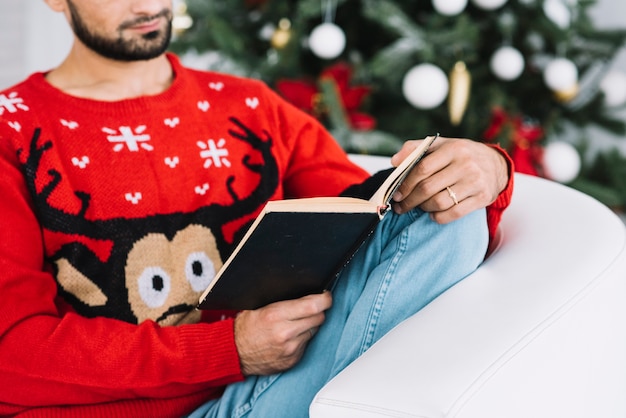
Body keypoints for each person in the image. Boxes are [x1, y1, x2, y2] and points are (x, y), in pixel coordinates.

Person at [0, 0, 513, 417]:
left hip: (275, 388)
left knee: (449, 212)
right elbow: (10, 355)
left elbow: (379, 224)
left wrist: (488, 169)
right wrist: (228, 349)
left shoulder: (249, 106)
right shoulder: (12, 131)